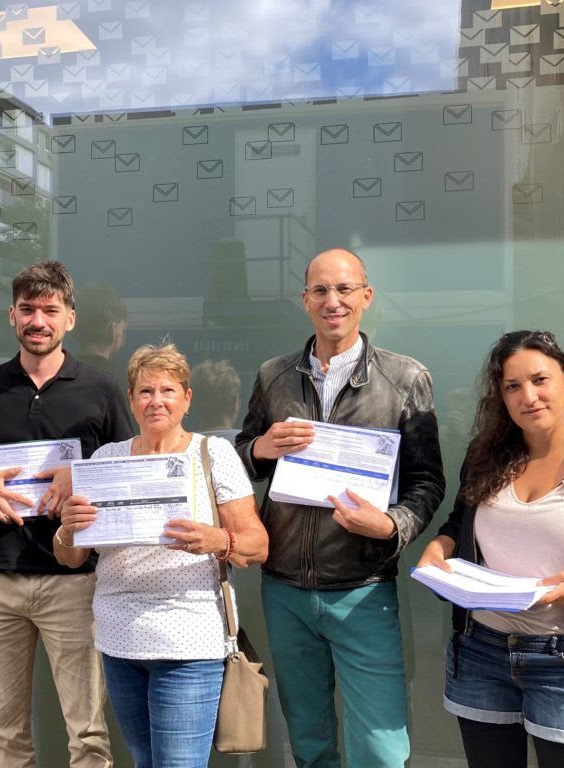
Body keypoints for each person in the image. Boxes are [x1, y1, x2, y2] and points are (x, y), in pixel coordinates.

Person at [234, 248, 445, 768]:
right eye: (321, 291)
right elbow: (237, 460)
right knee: (308, 742)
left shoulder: (405, 378)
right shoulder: (273, 376)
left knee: (380, 748)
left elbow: (427, 482)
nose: (333, 301)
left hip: (363, 588)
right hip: (284, 588)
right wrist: (260, 448)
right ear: (305, 300)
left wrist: (391, 524)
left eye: (345, 289)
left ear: (366, 297)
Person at [55, 343, 268, 767]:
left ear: (187, 398)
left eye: (168, 390)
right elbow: (70, 559)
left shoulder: (213, 455)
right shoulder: (106, 459)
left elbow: (258, 544)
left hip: (188, 641)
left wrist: (218, 540)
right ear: (131, 400)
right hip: (120, 641)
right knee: (145, 761)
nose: (156, 401)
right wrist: (67, 528)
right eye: (145, 391)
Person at [0, 261, 135, 767]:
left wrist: (81, 476)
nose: (39, 320)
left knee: (87, 732)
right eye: (28, 310)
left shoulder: (100, 388)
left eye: (50, 310)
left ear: (70, 319)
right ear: (12, 316)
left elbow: (127, 471)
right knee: (5, 731)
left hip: (74, 578)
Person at [417, 330, 564, 767]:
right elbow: (458, 522)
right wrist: (438, 548)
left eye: (540, 380)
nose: (529, 397)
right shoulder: (486, 457)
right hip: (482, 651)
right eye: (513, 386)